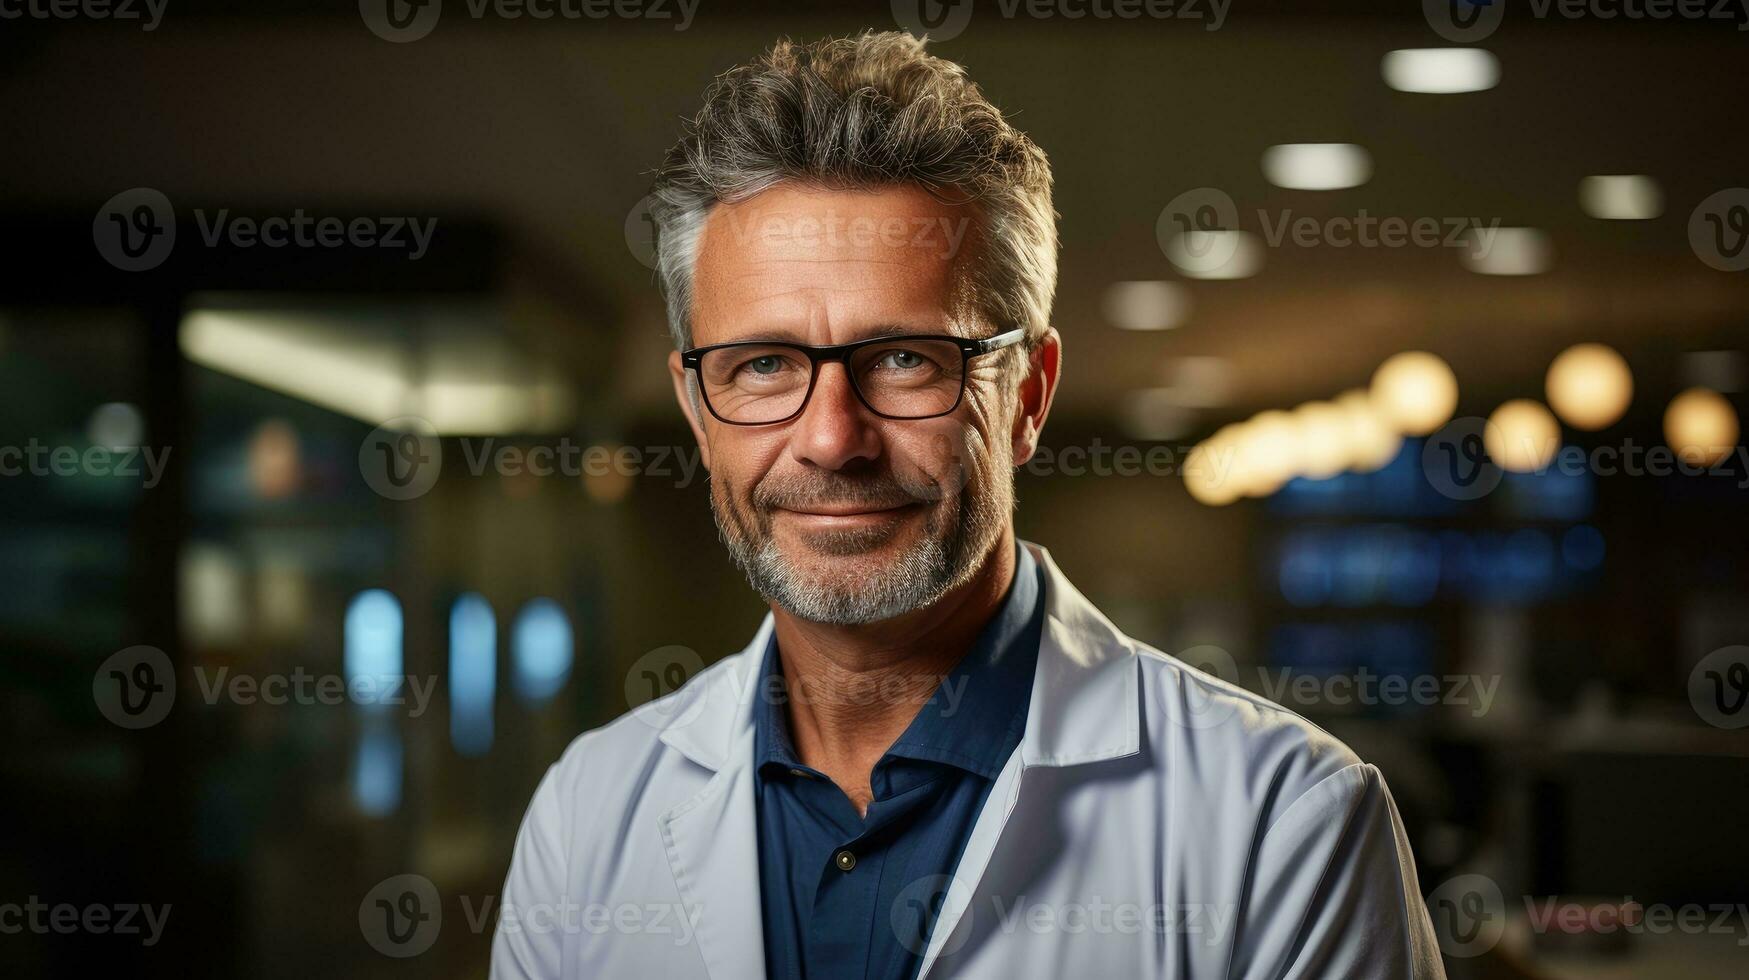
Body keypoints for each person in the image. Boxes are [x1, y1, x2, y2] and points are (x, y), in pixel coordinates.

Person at [492, 30, 1443, 980]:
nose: (832, 439)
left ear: (1026, 396)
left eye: (906, 359)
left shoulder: (1284, 825)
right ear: (700, 408)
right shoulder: (585, 817)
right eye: (764, 365)